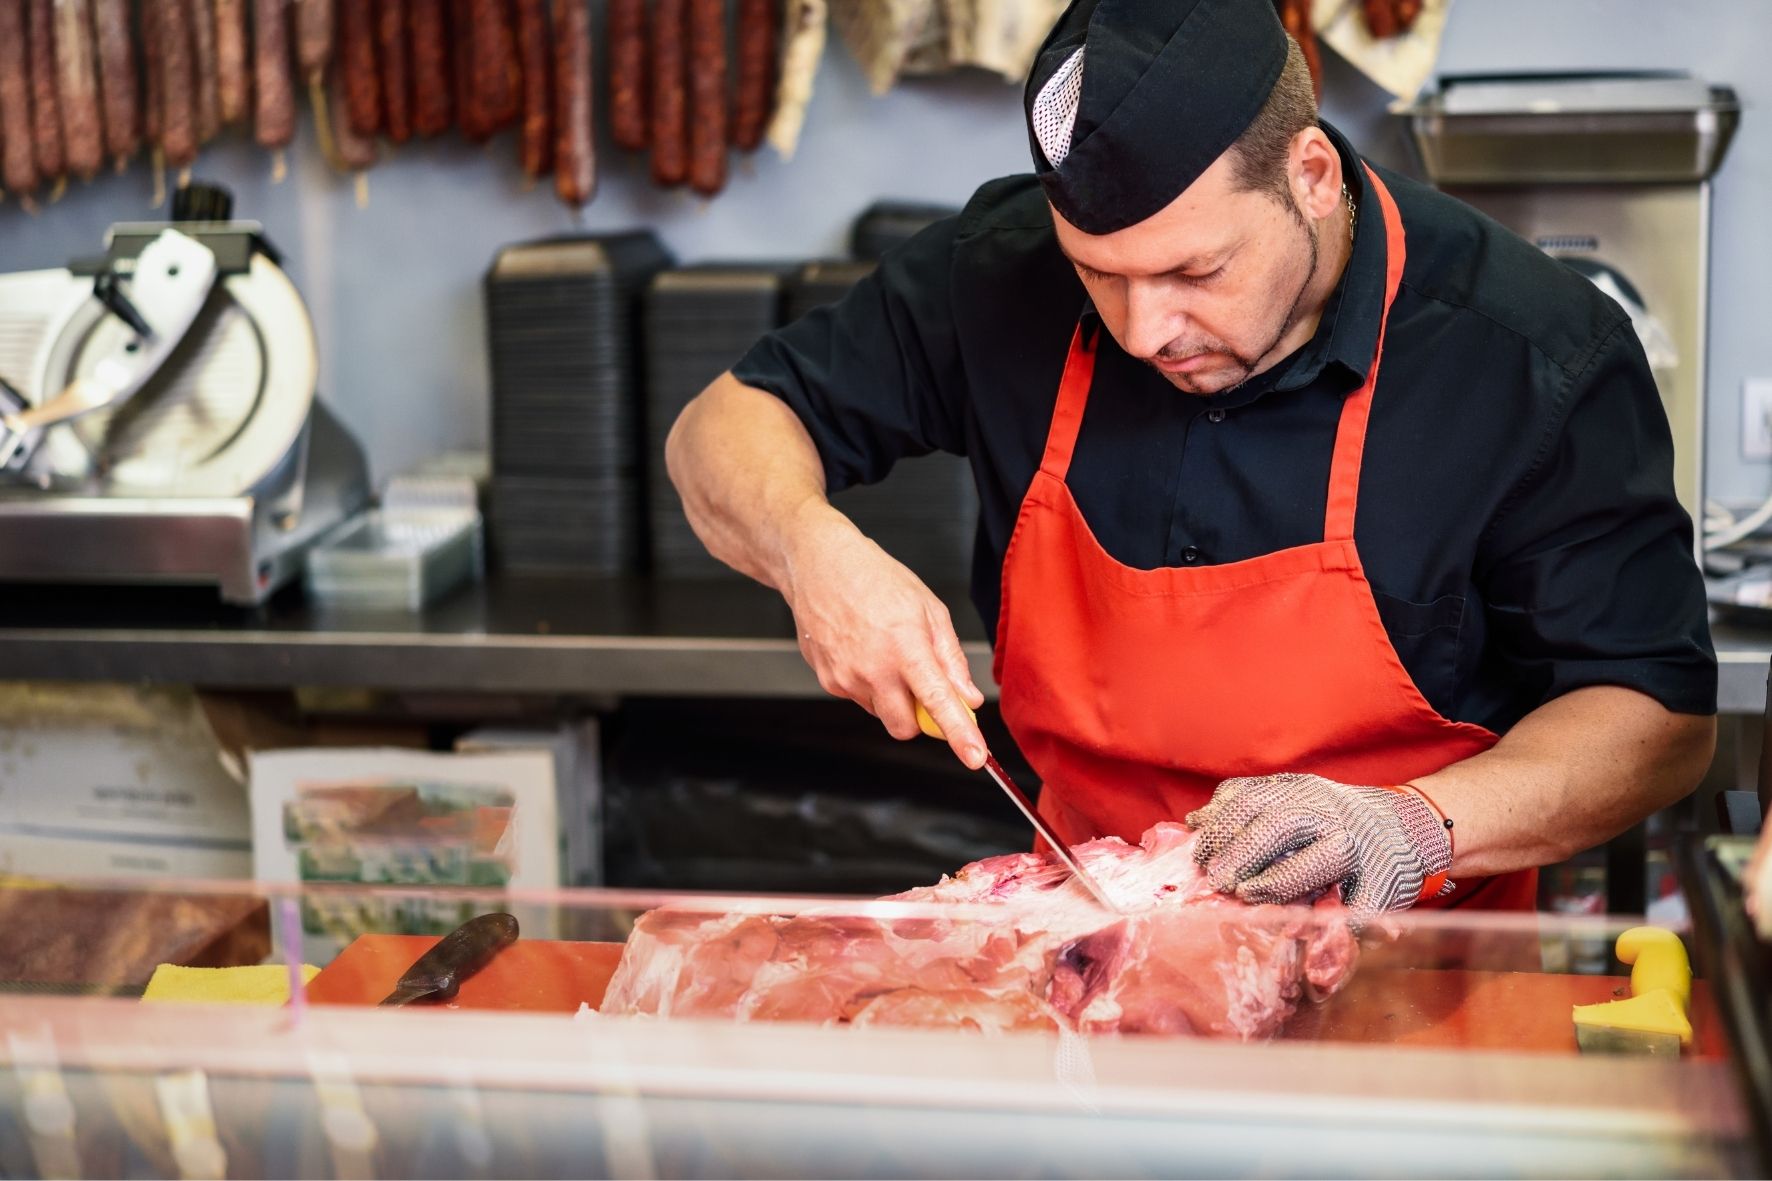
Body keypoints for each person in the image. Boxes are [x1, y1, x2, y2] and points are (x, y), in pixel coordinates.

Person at [666, 0, 1717, 914]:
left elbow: (1655, 715)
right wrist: (811, 551)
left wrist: (1410, 828)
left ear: (1309, 175)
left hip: (1421, 983)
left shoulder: (1525, 353)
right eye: (1098, 275)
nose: (1141, 329)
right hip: (1094, 955)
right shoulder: (1000, 275)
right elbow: (723, 425)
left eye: (1194, 269)